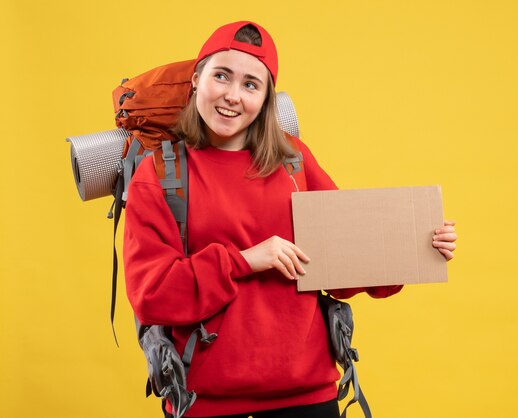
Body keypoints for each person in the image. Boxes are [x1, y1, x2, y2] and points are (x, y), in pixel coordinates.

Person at [123, 21, 458, 418]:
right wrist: (246, 260)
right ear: (197, 80)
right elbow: (153, 294)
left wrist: (417, 245)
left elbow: (345, 254)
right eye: (221, 76)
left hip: (307, 397)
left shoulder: (293, 159)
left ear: (267, 98)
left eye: (251, 84)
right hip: (204, 402)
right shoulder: (162, 173)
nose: (232, 95)